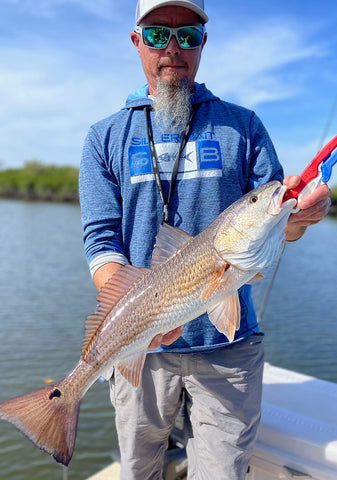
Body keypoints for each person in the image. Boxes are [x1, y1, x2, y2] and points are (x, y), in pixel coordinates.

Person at [79, 1, 331, 478]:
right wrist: (144, 315)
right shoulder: (103, 137)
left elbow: (279, 226)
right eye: (157, 35)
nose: (173, 48)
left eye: (188, 35)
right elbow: (101, 241)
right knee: (139, 471)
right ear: (137, 42)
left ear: (203, 44)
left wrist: (301, 216)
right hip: (140, 350)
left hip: (229, 353)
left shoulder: (246, 125)